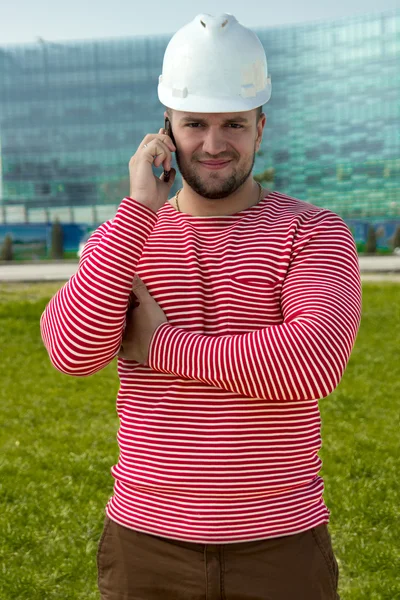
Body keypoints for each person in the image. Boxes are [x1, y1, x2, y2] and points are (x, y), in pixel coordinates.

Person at [40, 13, 361, 600]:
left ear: (260, 128)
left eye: (233, 124)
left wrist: (160, 344)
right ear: (166, 128)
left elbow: (310, 364)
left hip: (279, 545)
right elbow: (70, 351)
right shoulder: (125, 237)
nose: (213, 145)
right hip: (146, 545)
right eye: (195, 124)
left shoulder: (312, 232)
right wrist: (137, 211)